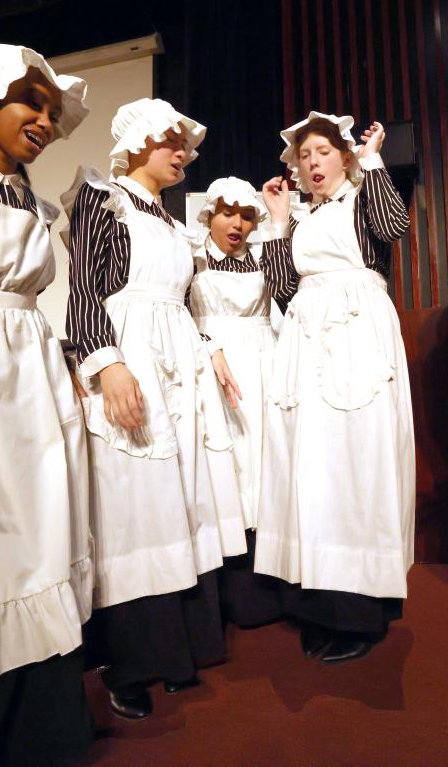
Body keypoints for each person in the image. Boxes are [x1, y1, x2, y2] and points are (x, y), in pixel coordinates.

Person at [64, 98, 245, 720]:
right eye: (171, 141)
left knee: (180, 495)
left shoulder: (171, 223)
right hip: (131, 352)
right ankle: (129, 659)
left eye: (186, 147)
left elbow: (185, 302)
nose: (182, 154)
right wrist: (104, 362)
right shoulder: (101, 198)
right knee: (132, 500)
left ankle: (181, 648)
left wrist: (206, 348)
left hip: (179, 361)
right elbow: (85, 288)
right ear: (138, 138)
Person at [0, 44, 95, 763]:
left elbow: (39, 301)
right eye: (29, 101)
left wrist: (65, 368)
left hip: (28, 378)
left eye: (50, 109)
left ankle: (39, 732)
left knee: (38, 545)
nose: (43, 117)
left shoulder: (33, 197)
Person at [256, 111, 415, 664]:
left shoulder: (362, 195)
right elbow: (281, 289)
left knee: (356, 464)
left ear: (343, 157)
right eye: (304, 155)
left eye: (323, 151)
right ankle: (316, 601)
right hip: (304, 334)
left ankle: (360, 610)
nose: (312, 162)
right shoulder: (300, 218)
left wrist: (373, 161)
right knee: (310, 467)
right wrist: (277, 221)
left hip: (356, 333)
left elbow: (394, 227)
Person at [188, 176, 281, 628]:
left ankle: (264, 585)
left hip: (262, 365)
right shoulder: (190, 255)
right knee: (222, 466)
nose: (237, 223)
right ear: (209, 214)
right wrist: (207, 345)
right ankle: (225, 586)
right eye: (228, 213)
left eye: (246, 215)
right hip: (210, 367)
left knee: (261, 460)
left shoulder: (263, 258)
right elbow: (176, 315)